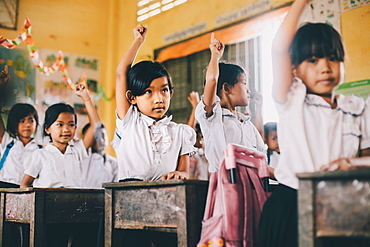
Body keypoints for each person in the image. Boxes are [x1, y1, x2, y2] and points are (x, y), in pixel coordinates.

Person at [258, 0, 370, 246]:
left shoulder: (356, 108)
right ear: (295, 69)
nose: (325, 68)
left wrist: (350, 163)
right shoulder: (292, 100)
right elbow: (279, 49)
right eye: (313, 60)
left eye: (333, 58)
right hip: (292, 207)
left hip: (343, 208)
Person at [114, 24, 196, 182]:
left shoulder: (180, 132)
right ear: (132, 98)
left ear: (171, 93)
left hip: (164, 196)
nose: (158, 99)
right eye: (148, 92)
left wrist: (180, 175)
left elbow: (184, 171)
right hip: (128, 194)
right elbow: (121, 73)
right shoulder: (130, 121)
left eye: (164, 90)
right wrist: (138, 41)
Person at [195, 33, 265, 173]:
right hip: (226, 183)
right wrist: (215, 56)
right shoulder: (213, 118)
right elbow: (212, 81)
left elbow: (261, 157)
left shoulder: (246, 123)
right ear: (226, 88)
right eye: (244, 83)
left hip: (252, 182)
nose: (248, 90)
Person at [20, 81, 100, 188]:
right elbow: (25, 184)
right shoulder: (40, 155)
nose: (66, 129)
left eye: (71, 125)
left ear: (75, 127)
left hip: (75, 202)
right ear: (47, 129)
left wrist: (85, 96)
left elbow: (95, 125)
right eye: (60, 124)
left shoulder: (78, 149)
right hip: (47, 203)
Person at [0, 65, 41, 188]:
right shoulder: (7, 141)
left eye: (31, 120)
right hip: (4, 188)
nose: (27, 124)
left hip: (29, 190)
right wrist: (2, 87)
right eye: (22, 121)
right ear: (14, 123)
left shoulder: (40, 149)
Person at [81, 122, 118, 189]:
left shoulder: (114, 163)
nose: (101, 140)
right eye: (96, 137)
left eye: (103, 135)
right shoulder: (82, 158)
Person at [187, 91, 209, 180]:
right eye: (197, 137)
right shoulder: (190, 155)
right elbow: (188, 132)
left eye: (202, 137)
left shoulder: (204, 156)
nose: (200, 140)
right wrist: (195, 108)